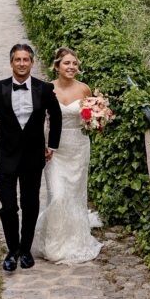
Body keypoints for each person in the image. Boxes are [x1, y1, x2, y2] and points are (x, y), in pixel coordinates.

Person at [0, 42, 62, 272]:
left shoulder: (43, 89)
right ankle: (12, 251)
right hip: (6, 155)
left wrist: (52, 144)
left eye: (26, 60)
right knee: (8, 206)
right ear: (11, 62)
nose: (22, 63)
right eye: (17, 60)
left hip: (33, 157)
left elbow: (56, 115)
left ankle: (25, 250)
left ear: (32, 63)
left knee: (30, 204)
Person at [31, 46, 102, 264]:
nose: (71, 67)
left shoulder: (85, 90)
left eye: (74, 63)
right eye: (67, 63)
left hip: (78, 148)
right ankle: (53, 244)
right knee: (58, 195)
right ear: (57, 66)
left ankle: (75, 240)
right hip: (54, 148)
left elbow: (92, 121)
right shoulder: (46, 89)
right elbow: (38, 119)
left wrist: (98, 120)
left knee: (74, 195)